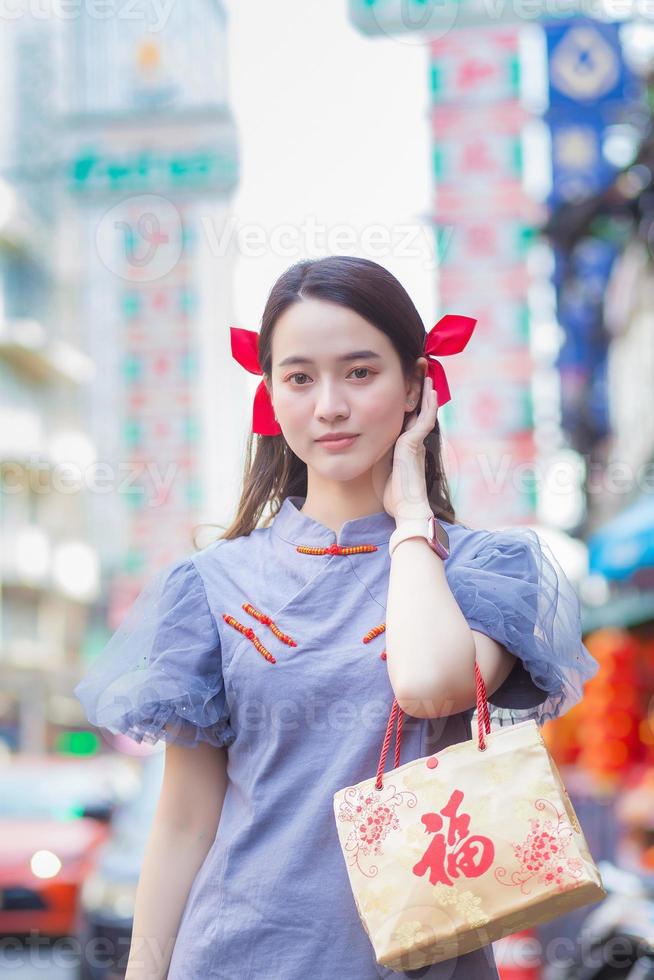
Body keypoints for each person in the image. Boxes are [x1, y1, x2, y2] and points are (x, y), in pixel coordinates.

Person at [74, 255, 600, 980]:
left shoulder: (484, 568)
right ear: (271, 395)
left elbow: (429, 686)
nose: (329, 406)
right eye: (299, 377)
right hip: (234, 957)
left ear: (417, 384)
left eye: (360, 372)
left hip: (420, 960)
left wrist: (412, 518)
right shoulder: (211, 583)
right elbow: (186, 818)